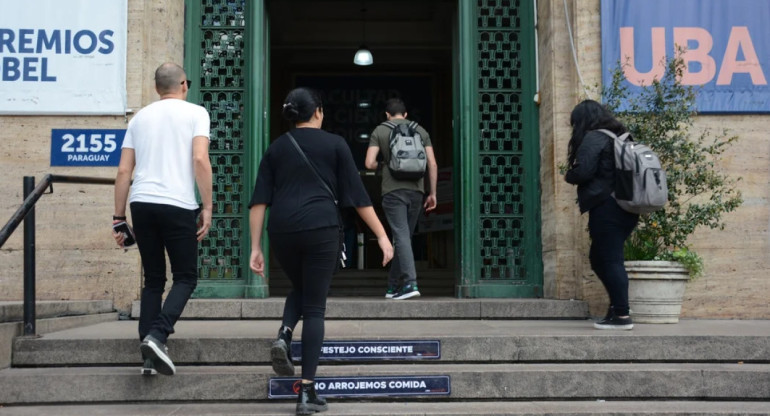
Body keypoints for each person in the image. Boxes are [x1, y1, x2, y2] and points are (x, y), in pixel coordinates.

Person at [248, 87, 393, 416]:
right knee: (314, 308)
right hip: (321, 229)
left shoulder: (275, 148)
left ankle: (285, 334)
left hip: (282, 231)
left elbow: (258, 201)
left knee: (300, 289)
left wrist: (256, 247)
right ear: (318, 113)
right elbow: (357, 198)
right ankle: (306, 393)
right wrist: (382, 236)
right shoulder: (336, 145)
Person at [112, 63, 213, 375]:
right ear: (183, 84)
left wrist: (118, 218)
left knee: (154, 278)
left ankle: (148, 357)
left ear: (157, 88)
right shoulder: (197, 113)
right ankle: (158, 335)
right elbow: (199, 158)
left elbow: (123, 171)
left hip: (141, 203)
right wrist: (207, 205)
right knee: (186, 277)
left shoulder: (139, 118)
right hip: (177, 203)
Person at [564, 99, 639, 330]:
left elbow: (584, 171)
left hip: (607, 207)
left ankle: (623, 316)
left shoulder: (595, 137)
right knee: (599, 258)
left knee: (610, 259)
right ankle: (616, 308)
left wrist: (569, 175)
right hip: (626, 208)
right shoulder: (621, 137)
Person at [365, 98, 438, 300]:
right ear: (405, 115)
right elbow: (432, 163)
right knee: (404, 236)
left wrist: (385, 166)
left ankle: (409, 284)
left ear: (387, 115)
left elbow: (369, 163)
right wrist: (432, 193)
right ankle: (393, 286)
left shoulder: (380, 130)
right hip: (417, 190)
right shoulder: (420, 130)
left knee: (400, 236)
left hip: (392, 191)